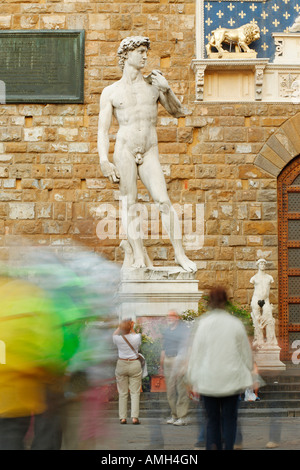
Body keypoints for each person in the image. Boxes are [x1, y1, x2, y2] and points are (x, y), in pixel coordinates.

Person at [97, 36, 197, 273]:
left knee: (163, 201)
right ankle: (138, 254)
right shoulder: (110, 92)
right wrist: (103, 159)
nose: (144, 56)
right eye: (140, 51)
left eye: (145, 52)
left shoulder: (154, 85)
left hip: (149, 149)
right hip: (125, 149)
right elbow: (102, 130)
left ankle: (180, 255)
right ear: (126, 55)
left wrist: (168, 89)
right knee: (129, 203)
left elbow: (178, 112)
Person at [187, 287, 254, 450]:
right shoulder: (235, 324)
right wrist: (250, 373)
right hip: (231, 380)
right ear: (226, 301)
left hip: (208, 380)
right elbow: (245, 353)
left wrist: (191, 379)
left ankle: (213, 446)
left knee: (212, 420)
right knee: (230, 420)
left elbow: (196, 353)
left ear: (210, 302)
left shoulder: (203, 324)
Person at [160, 310, 190, 426]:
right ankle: (174, 415)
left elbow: (187, 346)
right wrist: (161, 361)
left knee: (181, 389)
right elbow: (163, 347)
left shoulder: (183, 330)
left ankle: (182, 416)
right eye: (168, 316)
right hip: (168, 360)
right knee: (170, 390)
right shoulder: (167, 331)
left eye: (172, 316)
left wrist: (185, 363)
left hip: (179, 359)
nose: (169, 318)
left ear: (177, 317)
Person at [112, 318, 142, 425]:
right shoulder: (137, 337)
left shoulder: (117, 338)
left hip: (121, 364)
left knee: (122, 393)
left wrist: (120, 326)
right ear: (130, 327)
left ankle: (123, 418)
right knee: (135, 392)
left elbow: (114, 334)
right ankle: (134, 417)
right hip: (134, 364)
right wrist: (132, 328)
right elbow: (136, 336)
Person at [250, 258, 277, 348]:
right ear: (258, 265)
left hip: (265, 300)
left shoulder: (269, 277)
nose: (262, 265)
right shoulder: (254, 278)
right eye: (261, 263)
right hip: (256, 299)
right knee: (257, 320)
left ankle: (271, 341)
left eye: (264, 264)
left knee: (269, 319)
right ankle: (259, 340)